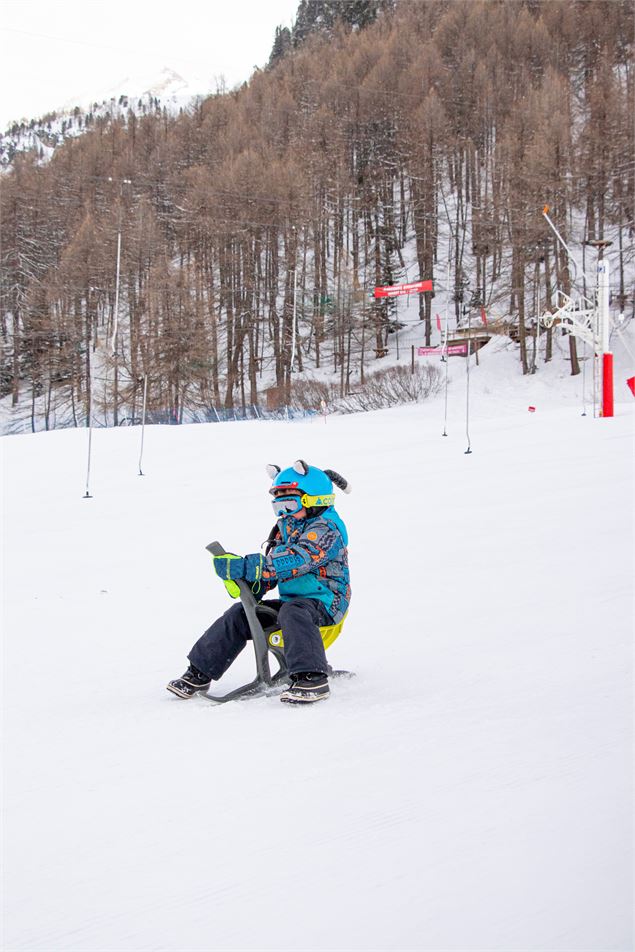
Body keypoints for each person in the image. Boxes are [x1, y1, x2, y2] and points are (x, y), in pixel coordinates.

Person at [167, 460, 352, 704]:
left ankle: (312, 677)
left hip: (327, 603)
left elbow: (298, 559)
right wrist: (248, 583)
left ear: (315, 500)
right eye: (278, 505)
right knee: (241, 613)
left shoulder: (327, 528)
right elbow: (272, 568)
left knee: (294, 611)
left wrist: (250, 566)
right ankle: (199, 672)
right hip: (293, 605)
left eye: (289, 503)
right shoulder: (283, 529)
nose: (283, 512)